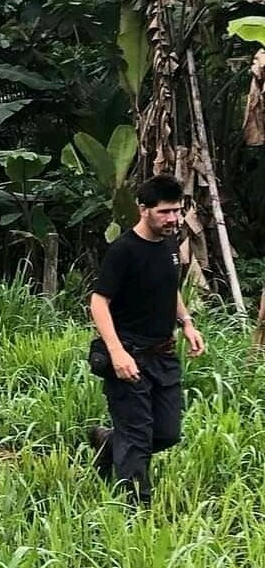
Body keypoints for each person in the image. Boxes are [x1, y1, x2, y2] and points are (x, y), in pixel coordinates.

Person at [87, 173, 206, 505]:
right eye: (165, 212)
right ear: (143, 208)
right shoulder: (124, 250)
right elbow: (98, 302)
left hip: (162, 355)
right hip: (129, 356)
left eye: (177, 211)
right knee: (138, 438)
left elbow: (170, 290)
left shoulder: (169, 245)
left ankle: (111, 442)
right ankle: (136, 513)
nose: (173, 219)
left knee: (167, 433)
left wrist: (186, 322)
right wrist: (117, 352)